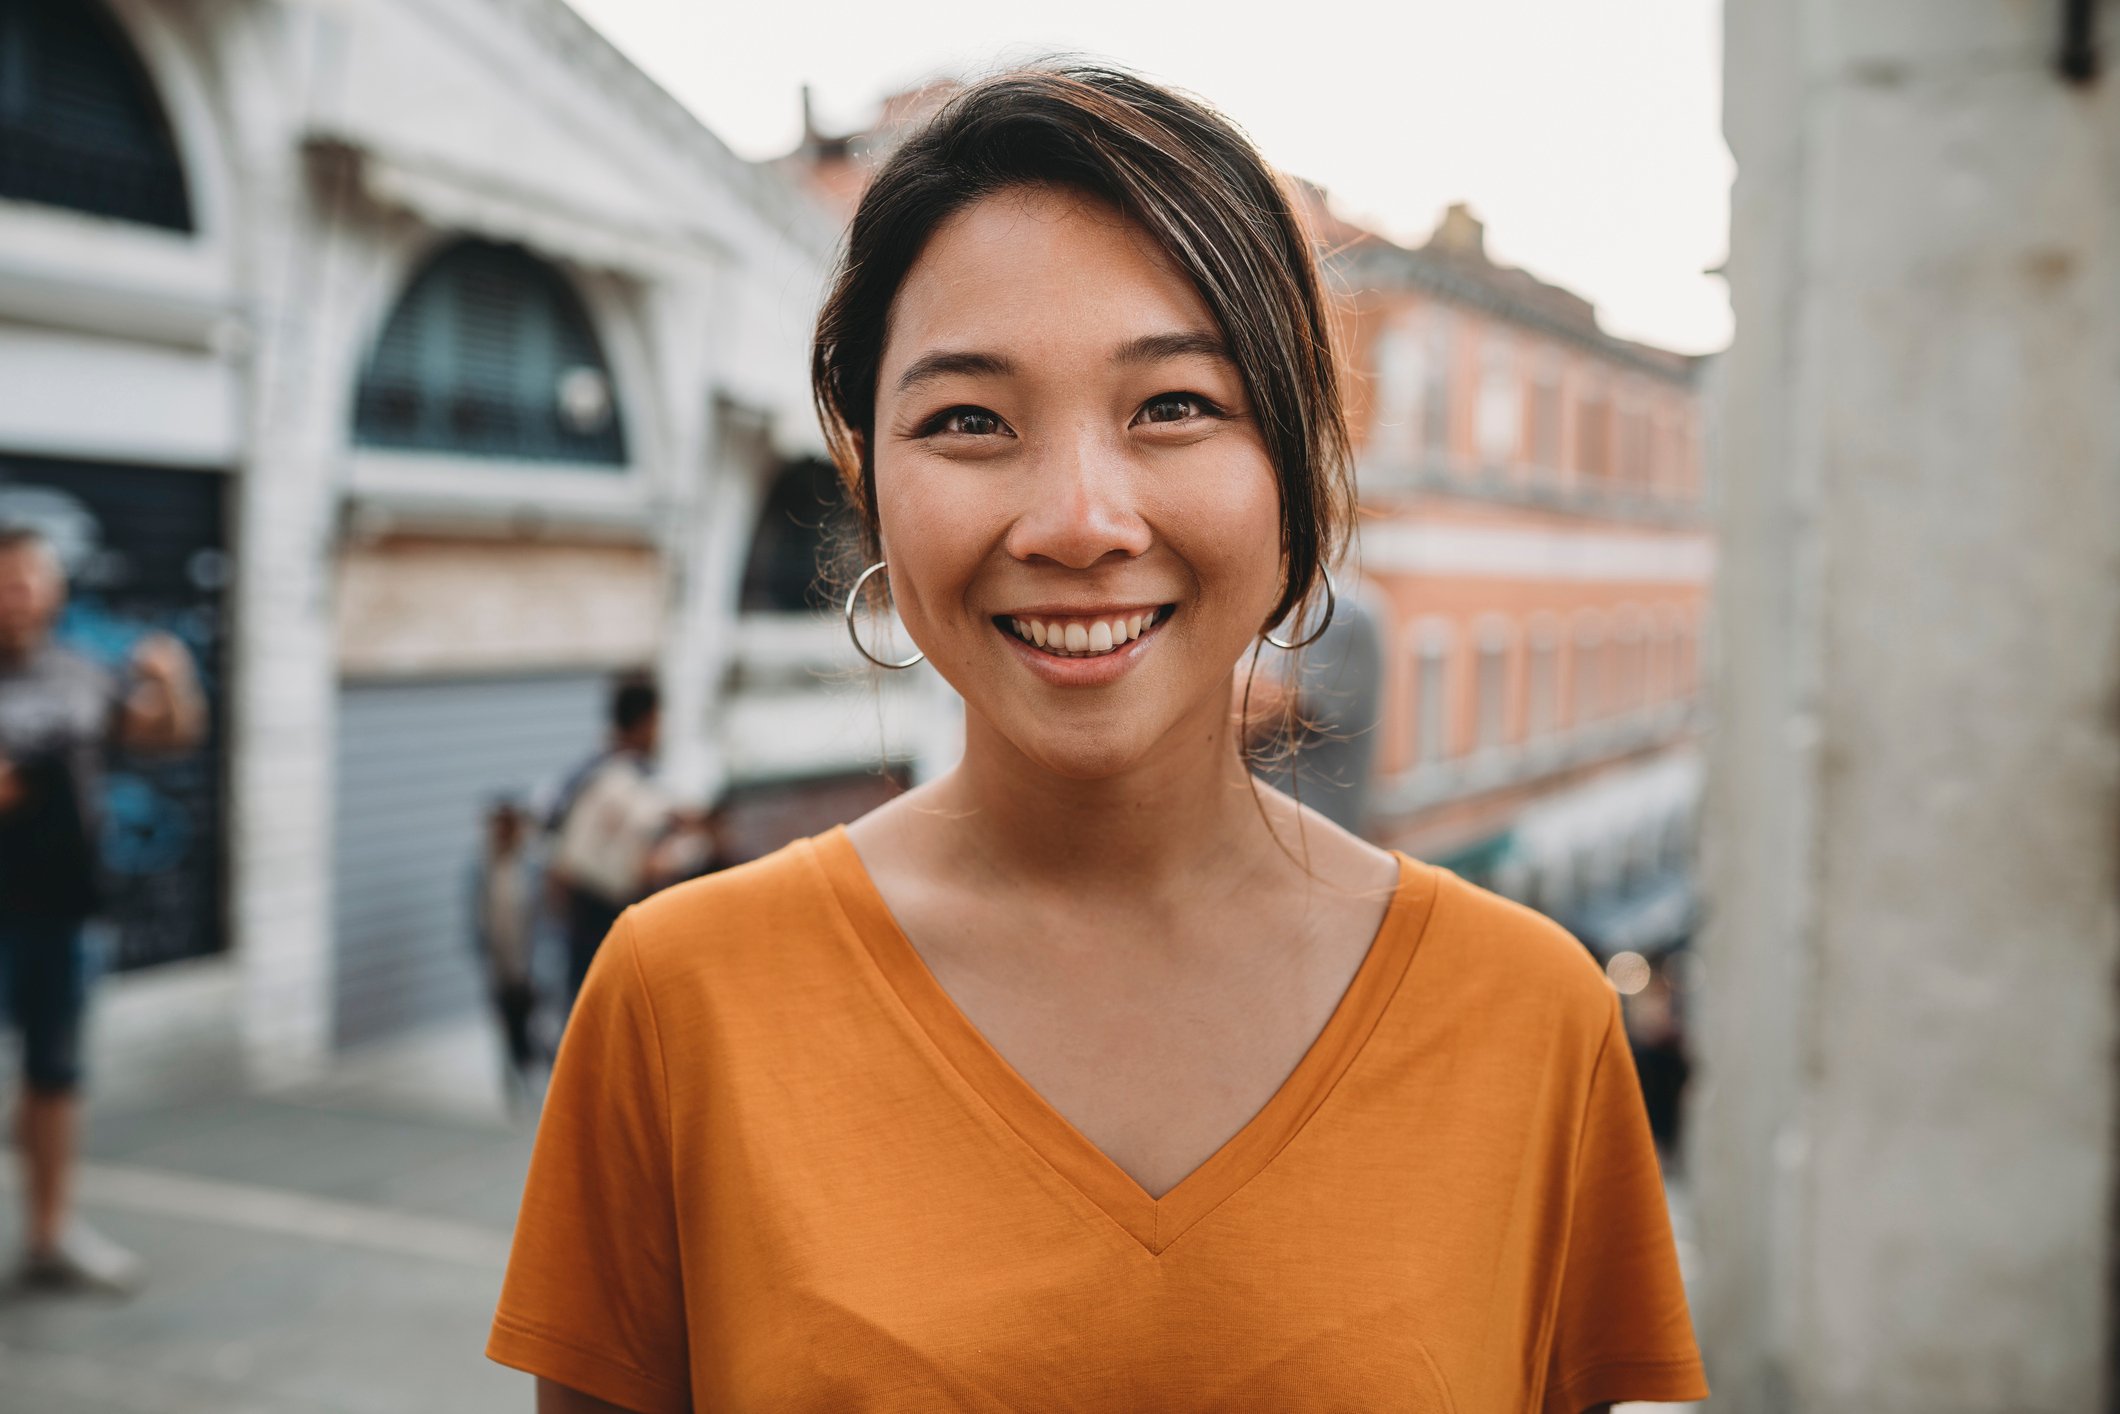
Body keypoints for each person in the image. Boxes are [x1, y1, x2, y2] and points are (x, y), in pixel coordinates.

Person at [489, 67, 1707, 1414]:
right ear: (871, 481)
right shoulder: (679, 1002)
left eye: (1174, 405)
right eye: (967, 420)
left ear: (1298, 471)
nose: (1079, 521)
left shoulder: (1531, 1020)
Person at [0, 524, 203, 1294]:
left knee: (55, 1076)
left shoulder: (83, 673)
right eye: (4, 579)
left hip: (64, 910)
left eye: (30, 579)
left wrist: (175, 682)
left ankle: (49, 1238)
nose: (17, 594)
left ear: (54, 591)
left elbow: (169, 738)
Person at [471, 797, 544, 1112]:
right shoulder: (482, 869)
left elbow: (541, 920)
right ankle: (513, 1081)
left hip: (527, 961)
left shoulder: (530, 868)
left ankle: (529, 1073)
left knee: (530, 1021)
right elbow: (477, 915)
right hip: (499, 963)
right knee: (505, 1021)